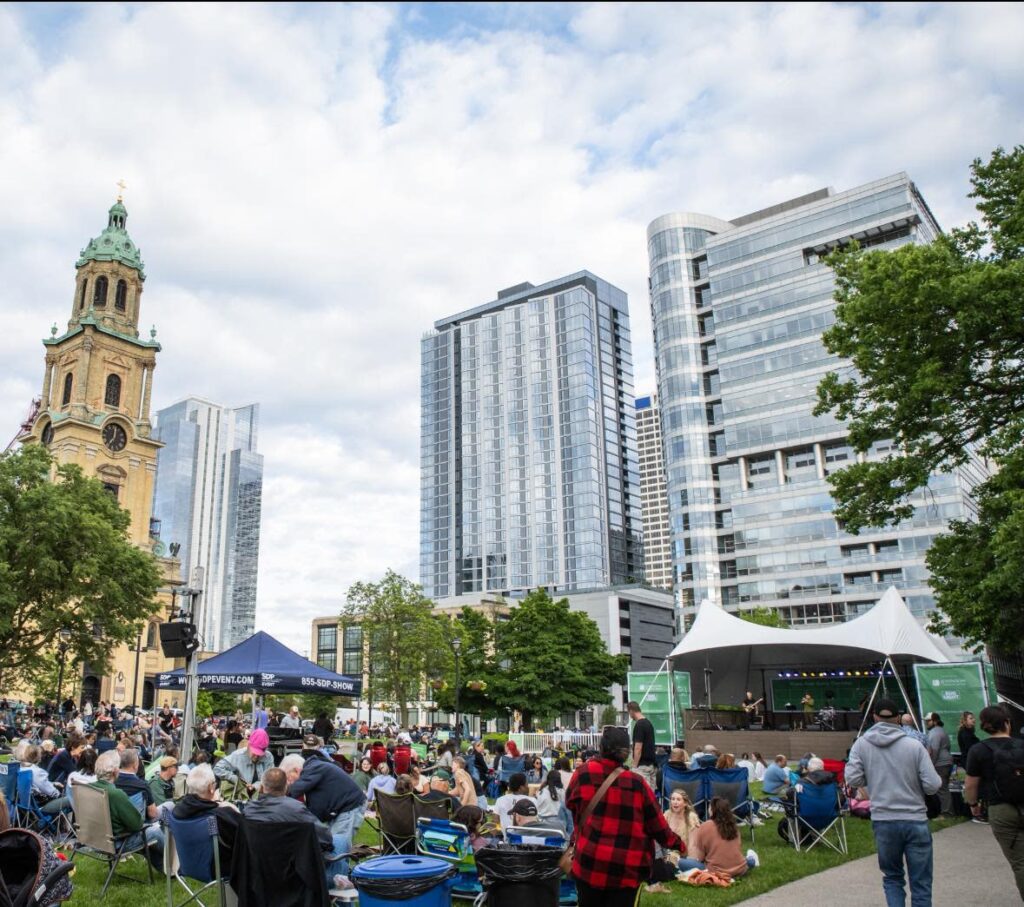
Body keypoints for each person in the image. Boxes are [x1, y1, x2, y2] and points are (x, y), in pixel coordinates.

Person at [566, 726, 683, 906]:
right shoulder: (637, 784)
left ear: (602, 748)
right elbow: (657, 826)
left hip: (589, 862)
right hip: (626, 868)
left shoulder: (583, 774)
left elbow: (571, 805)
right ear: (626, 753)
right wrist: (678, 844)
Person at [845, 698, 941, 907]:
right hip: (915, 818)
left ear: (874, 717)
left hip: (884, 819)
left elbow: (852, 779)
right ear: (898, 718)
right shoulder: (914, 746)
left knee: (892, 877)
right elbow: (933, 785)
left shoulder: (862, 744)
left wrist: (873, 778)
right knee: (921, 882)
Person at [243, 767, 351, 890]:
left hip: (260, 875)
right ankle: (340, 893)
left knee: (340, 844)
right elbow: (325, 839)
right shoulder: (296, 809)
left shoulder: (248, 811)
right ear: (286, 788)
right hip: (299, 878)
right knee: (342, 844)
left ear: (262, 787)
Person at [964, 704, 1024, 899]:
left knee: (1020, 862)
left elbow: (971, 785)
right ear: (1007, 723)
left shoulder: (978, 750)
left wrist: (973, 805)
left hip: (1001, 809)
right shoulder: (1022, 745)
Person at [283, 737, 366, 842]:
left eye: (288, 778)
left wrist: (278, 796)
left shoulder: (312, 768)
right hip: (340, 807)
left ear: (296, 770)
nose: (289, 782)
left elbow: (293, 791)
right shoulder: (314, 767)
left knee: (337, 846)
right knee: (328, 843)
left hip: (349, 806)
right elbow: (314, 811)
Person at [90, 749, 163, 869]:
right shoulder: (116, 794)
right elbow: (136, 825)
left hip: (94, 841)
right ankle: (174, 862)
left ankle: (164, 866)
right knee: (153, 832)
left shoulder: (89, 788)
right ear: (115, 771)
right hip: (116, 843)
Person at [172, 762, 241, 868]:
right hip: (218, 868)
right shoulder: (221, 814)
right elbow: (242, 834)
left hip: (187, 865)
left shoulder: (177, 811)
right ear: (211, 787)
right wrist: (225, 805)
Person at [676, 797, 757, 877]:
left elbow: (699, 858)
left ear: (712, 810)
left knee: (681, 862)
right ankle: (750, 859)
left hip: (715, 872)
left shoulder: (705, 826)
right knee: (749, 861)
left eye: (709, 807)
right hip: (739, 869)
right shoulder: (734, 826)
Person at [213, 728, 274, 796]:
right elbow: (217, 768)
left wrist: (254, 787)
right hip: (241, 797)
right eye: (254, 752)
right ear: (249, 745)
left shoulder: (268, 757)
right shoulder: (238, 756)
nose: (256, 756)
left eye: (260, 754)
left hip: (260, 798)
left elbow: (268, 780)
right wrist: (237, 780)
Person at [115, 748, 159, 821]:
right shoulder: (143, 785)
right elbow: (153, 814)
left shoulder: (111, 782)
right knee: (169, 805)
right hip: (137, 825)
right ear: (135, 765)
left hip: (116, 823)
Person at [924, 712, 953, 815]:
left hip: (940, 764)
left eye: (929, 721)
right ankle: (946, 811)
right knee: (944, 788)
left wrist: (929, 765)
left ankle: (946, 812)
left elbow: (934, 750)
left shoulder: (934, 733)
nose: (927, 723)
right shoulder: (941, 731)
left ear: (935, 721)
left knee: (941, 788)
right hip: (946, 762)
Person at [627, 701, 657, 790]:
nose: (630, 715)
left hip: (642, 767)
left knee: (642, 795)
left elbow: (638, 748)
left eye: (629, 712)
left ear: (631, 711)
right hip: (651, 766)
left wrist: (634, 766)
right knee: (651, 797)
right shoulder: (648, 723)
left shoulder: (639, 725)